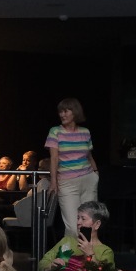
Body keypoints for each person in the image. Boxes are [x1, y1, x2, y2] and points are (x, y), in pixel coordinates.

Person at [29, 200, 116, 271]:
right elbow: (42, 264)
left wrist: (90, 254)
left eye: (83, 219)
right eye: (78, 218)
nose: (78, 222)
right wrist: (50, 266)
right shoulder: (67, 241)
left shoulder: (105, 251)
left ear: (97, 224)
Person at [46, 97, 99, 240]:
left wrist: (96, 174)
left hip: (88, 179)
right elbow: (54, 158)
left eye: (66, 111)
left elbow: (89, 156)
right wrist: (53, 182)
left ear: (75, 112)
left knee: (89, 224)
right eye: (60, 112)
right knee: (72, 226)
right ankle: (71, 254)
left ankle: (88, 254)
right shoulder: (55, 131)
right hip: (67, 183)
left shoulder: (85, 132)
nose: (62, 115)